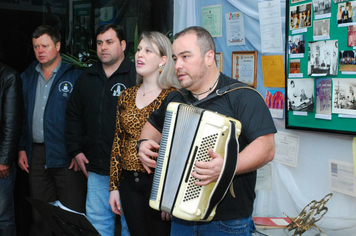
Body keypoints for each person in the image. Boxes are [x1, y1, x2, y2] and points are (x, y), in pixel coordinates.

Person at [137, 26, 276, 236]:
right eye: (175, 58)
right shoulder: (176, 99)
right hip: (180, 217)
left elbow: (266, 148)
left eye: (186, 56)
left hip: (228, 222)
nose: (178, 65)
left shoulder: (242, 97)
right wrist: (144, 143)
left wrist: (227, 166)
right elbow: (152, 126)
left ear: (209, 57)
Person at [65, 23, 136, 236]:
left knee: (129, 227)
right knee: (97, 227)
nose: (103, 47)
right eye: (99, 43)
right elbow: (73, 116)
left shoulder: (136, 76)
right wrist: (75, 150)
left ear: (123, 45)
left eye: (109, 42)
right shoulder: (86, 78)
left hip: (129, 171)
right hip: (96, 169)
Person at [108, 31, 180, 236]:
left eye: (148, 50)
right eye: (139, 49)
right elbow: (118, 141)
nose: (140, 54)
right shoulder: (126, 95)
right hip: (129, 183)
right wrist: (114, 186)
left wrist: (169, 193)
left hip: (158, 184)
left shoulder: (174, 96)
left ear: (163, 60)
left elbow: (178, 149)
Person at [17, 25, 86, 235]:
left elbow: (85, 117)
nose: (40, 50)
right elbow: (21, 114)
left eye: (45, 45)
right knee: (41, 212)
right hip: (36, 154)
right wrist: (21, 148)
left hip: (66, 153)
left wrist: (78, 150)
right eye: (36, 46)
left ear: (57, 45)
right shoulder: (28, 75)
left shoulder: (75, 74)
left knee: (71, 213)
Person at [0, 62, 23, 236]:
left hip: (0, 160)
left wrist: (4, 160)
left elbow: (11, 122)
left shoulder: (8, 76)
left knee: (3, 215)